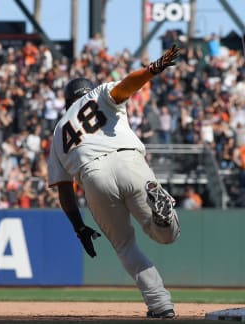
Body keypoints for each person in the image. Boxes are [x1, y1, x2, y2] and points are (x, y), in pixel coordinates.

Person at [47, 45, 181, 319]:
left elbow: (63, 189)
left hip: (92, 177)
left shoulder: (60, 129)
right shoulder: (98, 95)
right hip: (128, 160)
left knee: (124, 246)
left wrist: (79, 227)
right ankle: (163, 216)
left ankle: (160, 305)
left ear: (66, 100)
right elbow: (126, 87)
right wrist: (152, 69)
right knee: (167, 236)